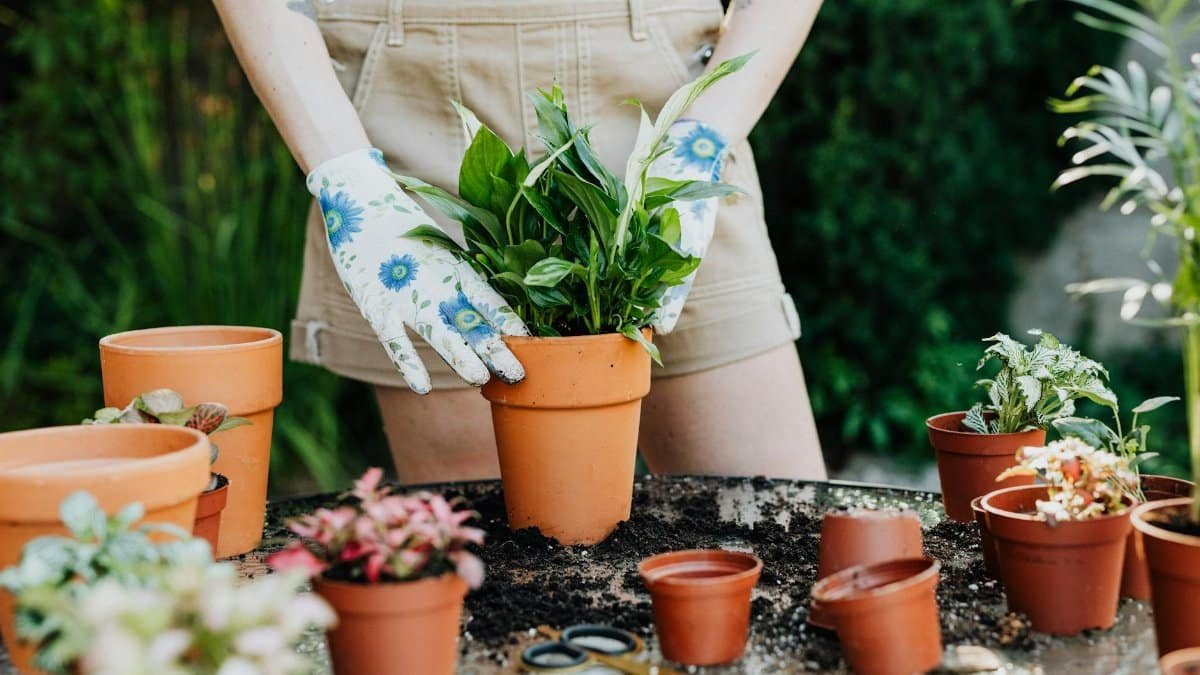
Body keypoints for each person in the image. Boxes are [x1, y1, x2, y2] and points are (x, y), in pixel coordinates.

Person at [213, 0, 828, 484]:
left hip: (659, 109)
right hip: (413, 105)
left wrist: (703, 138)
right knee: (497, 577)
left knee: (779, 535)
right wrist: (347, 178)